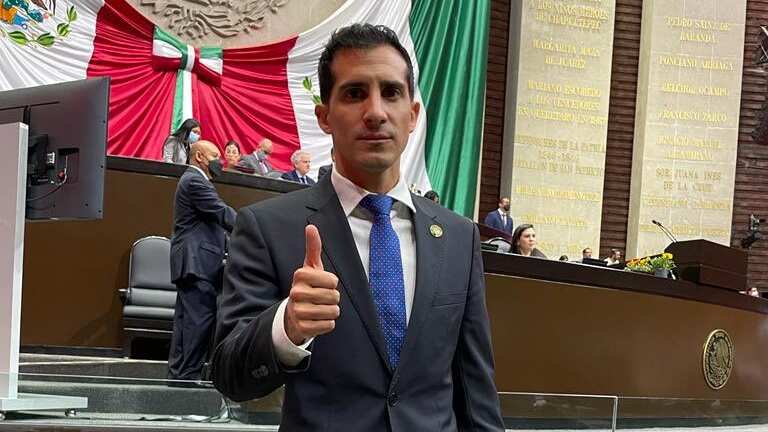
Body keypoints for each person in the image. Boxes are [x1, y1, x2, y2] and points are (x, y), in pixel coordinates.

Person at [211, 24, 504, 431]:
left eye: (391, 92)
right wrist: (286, 327)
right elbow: (229, 374)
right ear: (325, 117)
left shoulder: (458, 237)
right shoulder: (269, 227)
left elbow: (475, 392)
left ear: (413, 115)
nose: (376, 112)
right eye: (354, 93)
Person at [168, 140, 236, 381]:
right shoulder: (195, 181)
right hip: (197, 262)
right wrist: (253, 228)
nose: (220, 161)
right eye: (215, 155)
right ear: (199, 157)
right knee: (197, 322)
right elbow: (222, 213)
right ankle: (188, 378)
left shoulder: (193, 180)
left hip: (194, 262)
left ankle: (180, 377)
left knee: (186, 323)